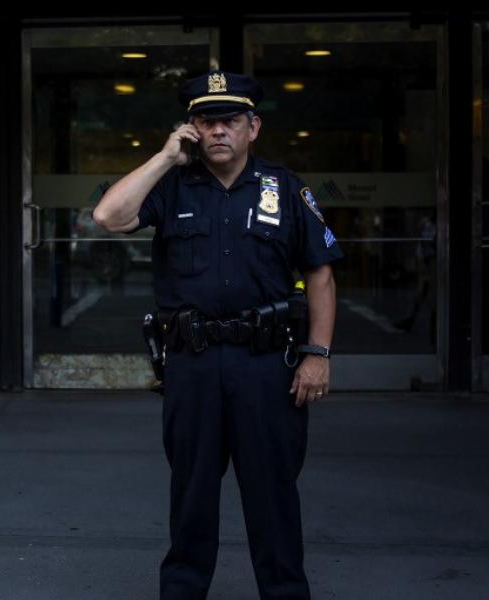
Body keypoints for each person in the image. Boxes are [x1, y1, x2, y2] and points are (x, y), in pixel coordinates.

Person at [93, 70, 343, 600]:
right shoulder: (170, 186)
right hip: (194, 364)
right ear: (191, 129)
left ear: (253, 127)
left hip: (267, 367)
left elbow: (320, 272)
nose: (219, 131)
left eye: (230, 120)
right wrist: (164, 157)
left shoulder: (286, 187)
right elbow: (108, 217)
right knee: (192, 496)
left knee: (273, 497)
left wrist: (317, 354)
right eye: (206, 121)